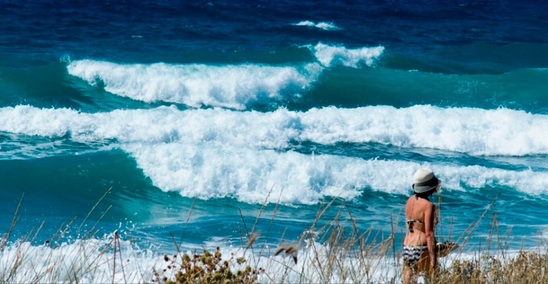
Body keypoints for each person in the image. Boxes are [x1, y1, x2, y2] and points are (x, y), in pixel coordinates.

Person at [402, 168, 441, 284]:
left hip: (407, 246)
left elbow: (411, 225)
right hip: (421, 247)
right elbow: (428, 234)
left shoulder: (409, 201)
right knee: (432, 279)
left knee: (408, 281)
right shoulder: (429, 205)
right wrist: (433, 258)